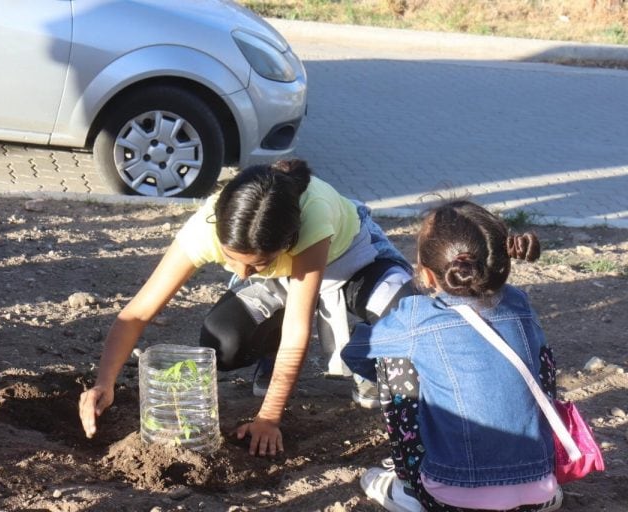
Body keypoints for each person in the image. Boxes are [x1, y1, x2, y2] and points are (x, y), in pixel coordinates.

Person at [79, 159, 417, 456]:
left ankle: (363, 358)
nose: (240, 274)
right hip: (281, 275)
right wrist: (103, 382)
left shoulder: (312, 217)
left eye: (252, 266)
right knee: (223, 342)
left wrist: (268, 418)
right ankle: (270, 356)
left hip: (351, 259)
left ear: (287, 242)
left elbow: (298, 330)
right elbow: (137, 313)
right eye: (232, 260)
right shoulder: (206, 228)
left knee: (408, 313)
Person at [341, 200, 563, 512]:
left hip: (448, 496)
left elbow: (355, 353)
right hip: (538, 490)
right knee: (538, 356)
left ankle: (408, 487)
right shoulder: (519, 305)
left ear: (428, 275)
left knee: (396, 360)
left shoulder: (415, 316)